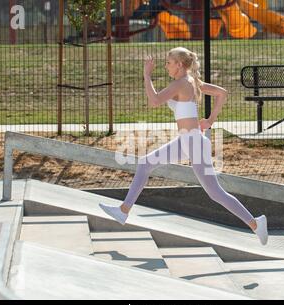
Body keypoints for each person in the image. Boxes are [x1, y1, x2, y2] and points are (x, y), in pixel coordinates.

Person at [99, 47, 268, 245]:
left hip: (193, 142)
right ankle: (123, 211)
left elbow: (154, 101)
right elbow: (222, 93)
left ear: (179, 65)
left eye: (169, 62)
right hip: (187, 140)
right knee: (145, 164)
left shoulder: (181, 83)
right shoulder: (192, 82)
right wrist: (210, 121)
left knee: (215, 192)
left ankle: (256, 223)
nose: (166, 66)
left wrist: (147, 75)